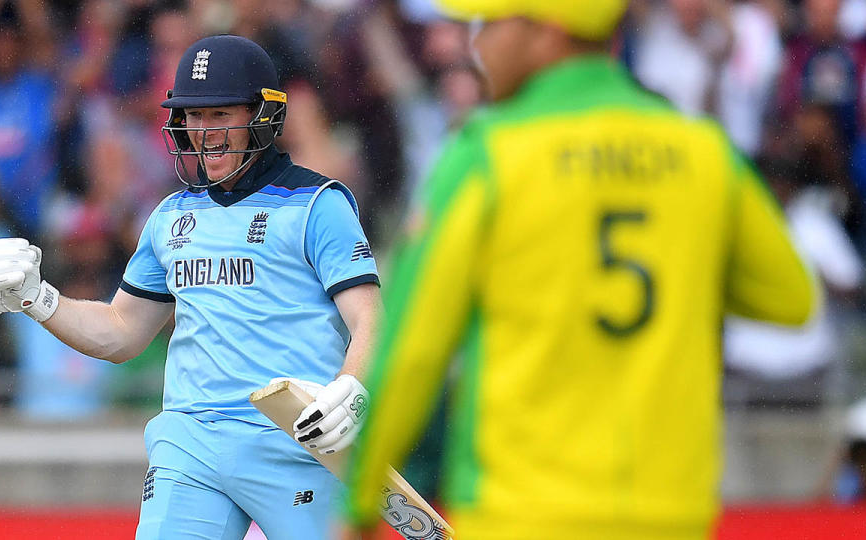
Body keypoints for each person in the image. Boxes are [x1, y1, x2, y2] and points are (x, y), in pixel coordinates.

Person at [344, 1, 818, 539]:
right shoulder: (702, 150)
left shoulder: (488, 153)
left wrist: (361, 505)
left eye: (492, 25)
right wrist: (681, 258)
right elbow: (790, 298)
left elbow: (412, 351)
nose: (477, 44)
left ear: (548, 34)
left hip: (522, 512)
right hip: (671, 513)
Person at [0, 35, 380, 540]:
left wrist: (354, 388)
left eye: (220, 116)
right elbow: (122, 331)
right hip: (191, 443)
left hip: (294, 440)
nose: (204, 133)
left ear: (264, 115)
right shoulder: (171, 217)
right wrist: (39, 298)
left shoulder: (318, 204)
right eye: (193, 116)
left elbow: (371, 320)